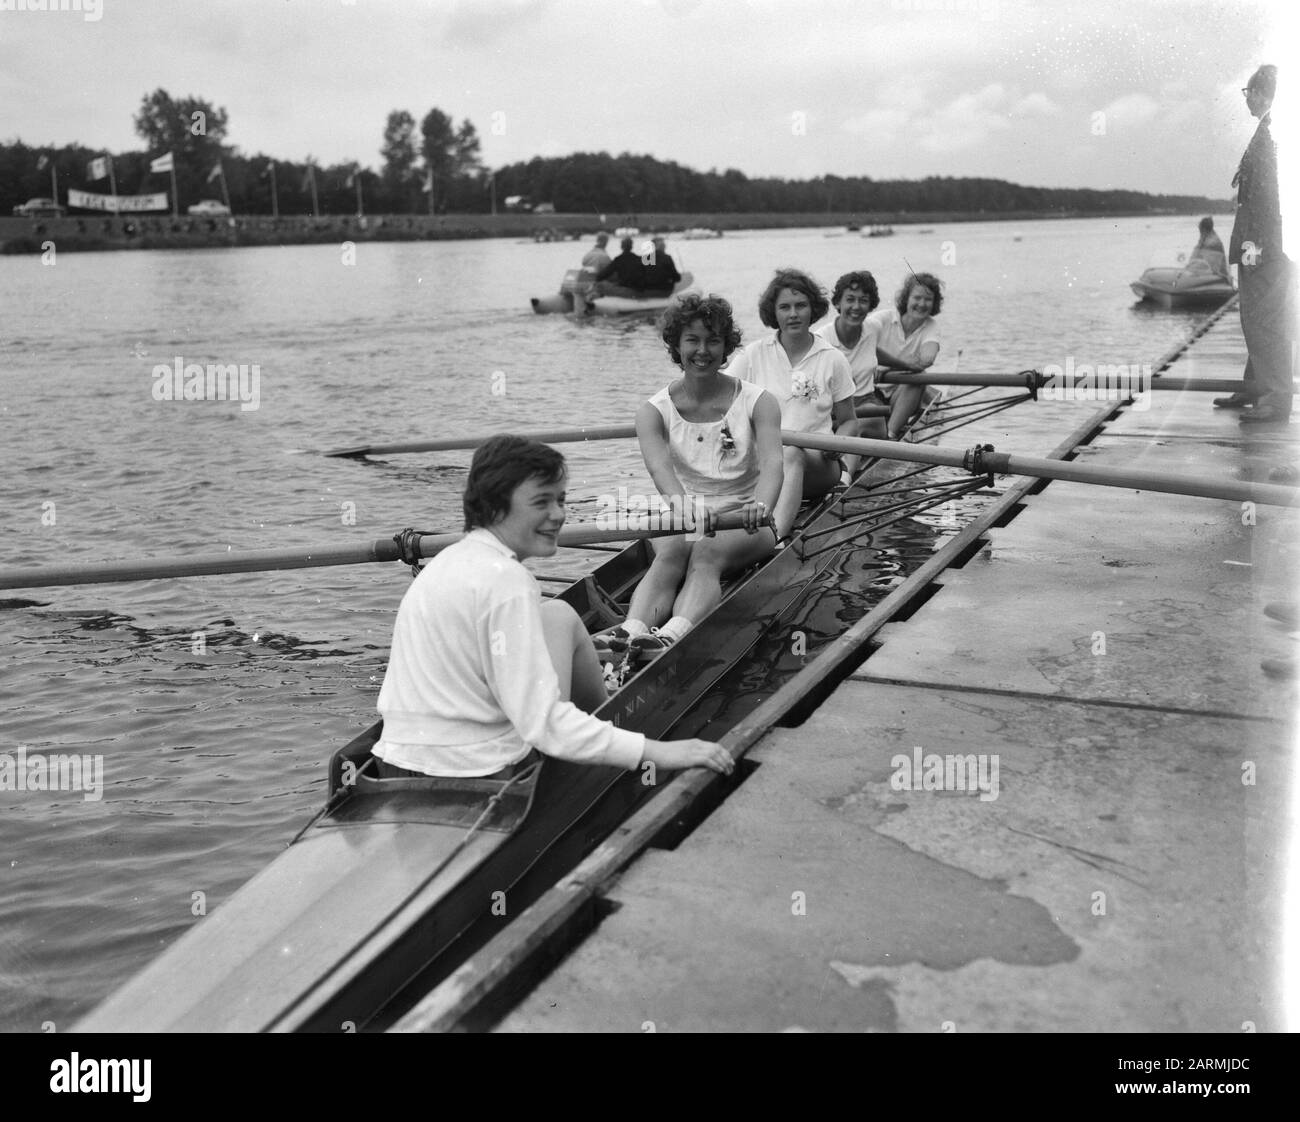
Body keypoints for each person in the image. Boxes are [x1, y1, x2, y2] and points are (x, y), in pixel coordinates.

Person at [371, 435, 733, 780]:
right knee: (560, 620)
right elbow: (543, 725)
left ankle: (605, 716)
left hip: (393, 760)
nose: (558, 515)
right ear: (495, 507)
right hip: (481, 770)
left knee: (557, 614)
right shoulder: (507, 580)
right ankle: (612, 718)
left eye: (561, 500)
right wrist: (660, 752)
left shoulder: (445, 562)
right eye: (541, 502)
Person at [594, 294, 783, 658]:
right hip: (683, 515)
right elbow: (659, 469)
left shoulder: (760, 402)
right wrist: (686, 510)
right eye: (692, 340)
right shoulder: (652, 411)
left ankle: (672, 635)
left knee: (706, 552)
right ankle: (630, 632)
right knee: (670, 551)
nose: (703, 350)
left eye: (713, 340)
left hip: (743, 520)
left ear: (726, 347)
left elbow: (774, 464)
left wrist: (761, 505)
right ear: (676, 346)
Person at [725, 268, 855, 540]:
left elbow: (848, 420)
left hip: (818, 465)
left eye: (800, 306)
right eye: (784, 307)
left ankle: (774, 537)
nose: (793, 314)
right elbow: (720, 402)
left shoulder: (832, 359)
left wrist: (840, 443)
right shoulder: (752, 355)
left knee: (793, 453)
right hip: (765, 464)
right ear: (774, 313)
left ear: (813, 309)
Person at [1219, 65, 1294, 423]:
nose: (1247, 99)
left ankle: (1276, 399)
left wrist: (1255, 251)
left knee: (1265, 319)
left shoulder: (1273, 131)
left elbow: (1268, 198)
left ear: (1262, 93)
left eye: (1249, 92)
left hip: (1263, 245)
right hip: (1264, 242)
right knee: (1258, 317)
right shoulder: (1271, 127)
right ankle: (1255, 387)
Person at [815, 270, 890, 476]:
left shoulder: (872, 328)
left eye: (863, 301)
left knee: (854, 425)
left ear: (871, 305)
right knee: (850, 426)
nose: (856, 307)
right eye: (850, 300)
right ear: (838, 303)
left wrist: (909, 366)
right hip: (834, 411)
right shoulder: (821, 338)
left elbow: (876, 352)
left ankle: (844, 478)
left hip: (869, 408)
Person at [868, 272, 943, 440]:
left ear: (934, 303)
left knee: (919, 378)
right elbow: (859, 343)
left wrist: (888, 368)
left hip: (902, 394)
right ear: (906, 298)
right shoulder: (883, 318)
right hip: (871, 389)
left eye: (928, 299)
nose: (922, 304)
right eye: (917, 298)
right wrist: (906, 365)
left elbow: (927, 359)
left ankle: (890, 434)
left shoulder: (931, 327)